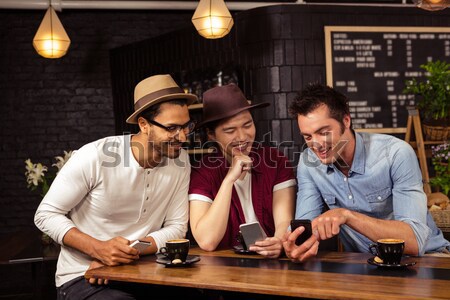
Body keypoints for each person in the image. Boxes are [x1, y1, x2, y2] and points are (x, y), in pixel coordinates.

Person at [34, 74, 200, 299]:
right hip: (82, 276)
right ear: (143, 124)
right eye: (171, 128)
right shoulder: (95, 156)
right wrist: (98, 249)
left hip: (142, 270)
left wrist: (121, 254)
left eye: (186, 126)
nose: (182, 136)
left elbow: (176, 227)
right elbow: (45, 214)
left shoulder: (181, 163)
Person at [283, 83, 450, 262]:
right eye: (308, 137)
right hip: (365, 263)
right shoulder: (309, 163)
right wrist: (294, 243)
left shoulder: (396, 153)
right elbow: (304, 227)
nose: (315, 144)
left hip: (428, 259)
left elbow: (414, 241)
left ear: (346, 121)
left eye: (323, 132)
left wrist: (346, 215)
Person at [188, 83, 296, 258]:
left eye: (247, 125)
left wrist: (278, 241)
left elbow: (284, 219)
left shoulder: (275, 161)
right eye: (230, 130)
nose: (242, 137)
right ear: (211, 135)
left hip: (273, 263)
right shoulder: (202, 172)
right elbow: (207, 240)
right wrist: (229, 180)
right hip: (226, 268)